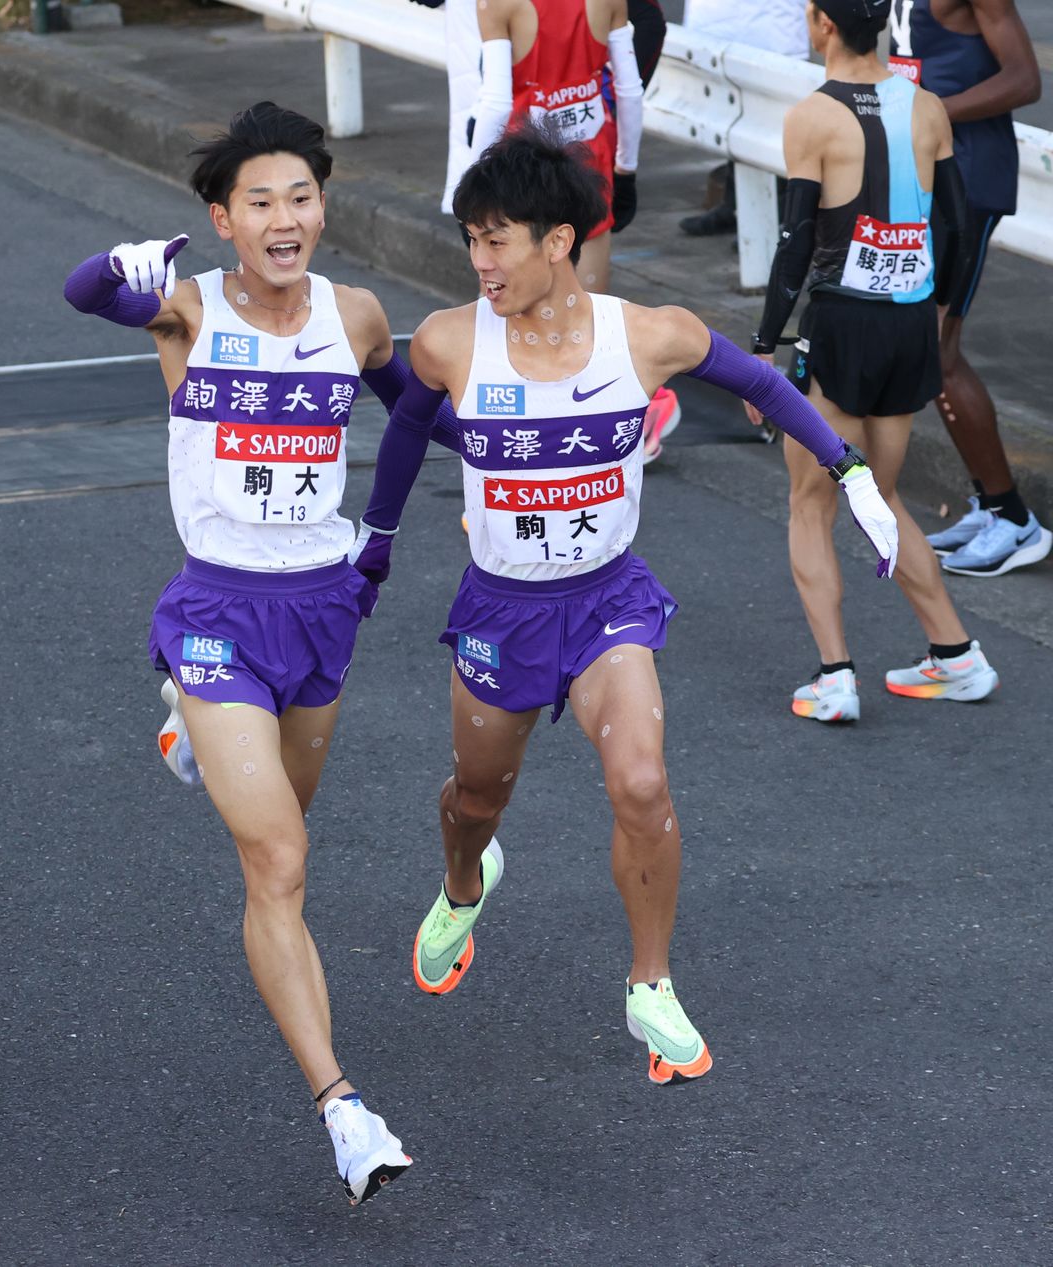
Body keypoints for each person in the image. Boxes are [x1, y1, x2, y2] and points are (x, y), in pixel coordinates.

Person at [346, 121, 899, 1085]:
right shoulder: (446, 344)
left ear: (557, 242)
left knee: (642, 782)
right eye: (471, 239)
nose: (481, 261)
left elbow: (761, 380)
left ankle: (651, 983)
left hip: (607, 600)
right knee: (476, 797)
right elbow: (405, 429)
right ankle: (465, 881)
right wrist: (377, 538)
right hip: (501, 609)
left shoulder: (648, 336)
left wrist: (849, 471)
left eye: (499, 240)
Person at [62, 102, 443, 1207]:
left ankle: (188, 721)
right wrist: (113, 268)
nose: (286, 219)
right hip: (217, 609)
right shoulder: (184, 311)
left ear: (324, 206)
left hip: (322, 613)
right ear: (223, 220)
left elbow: (420, 416)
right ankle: (343, 1108)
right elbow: (87, 294)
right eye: (261, 202)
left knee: (290, 829)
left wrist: (566, 430)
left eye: (302, 197)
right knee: (276, 861)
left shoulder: (358, 314)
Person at [747, 0, 998, 721]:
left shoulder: (813, 117)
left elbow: (796, 244)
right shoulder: (926, 108)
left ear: (825, 23)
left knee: (811, 503)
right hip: (909, 325)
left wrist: (764, 347)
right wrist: (942, 310)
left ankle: (834, 678)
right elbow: (953, 219)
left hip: (842, 328)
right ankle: (956, 656)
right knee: (880, 496)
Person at [465, 0, 681, 463]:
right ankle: (604, 455)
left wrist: (476, 195)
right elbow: (629, 92)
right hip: (591, 172)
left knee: (512, 333)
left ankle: (528, 461)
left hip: (520, 186)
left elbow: (496, 103)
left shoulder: (496, 4)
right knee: (591, 323)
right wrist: (627, 172)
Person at [889, 0, 1049, 577]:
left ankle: (1014, 520)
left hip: (967, 178)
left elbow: (1025, 79)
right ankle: (990, 505)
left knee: (938, 350)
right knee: (927, 349)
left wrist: (931, 112)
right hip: (925, 170)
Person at [678, 0, 811, 237]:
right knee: (738, 122)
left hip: (773, 30)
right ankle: (734, 206)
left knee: (778, 131)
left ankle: (776, 218)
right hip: (726, 26)